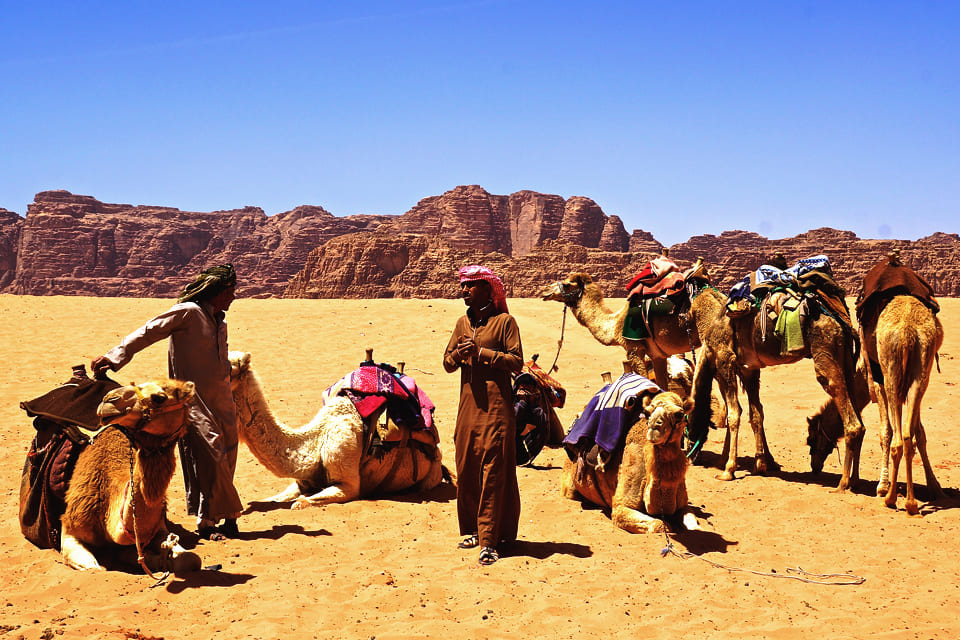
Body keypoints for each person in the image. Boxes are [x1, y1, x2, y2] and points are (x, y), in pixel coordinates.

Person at [91, 264, 243, 541]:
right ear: (217, 291)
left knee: (229, 452)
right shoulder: (188, 312)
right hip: (192, 399)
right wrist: (114, 357)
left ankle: (227, 519)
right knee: (210, 454)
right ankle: (207, 520)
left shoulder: (220, 322)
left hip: (222, 400)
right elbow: (149, 331)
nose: (234, 296)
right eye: (231, 291)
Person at [442, 265, 523, 566]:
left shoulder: (505, 323)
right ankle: (472, 529)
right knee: (466, 466)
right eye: (462, 285)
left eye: (470, 286)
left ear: (488, 290)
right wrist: (460, 355)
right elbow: (447, 363)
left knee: (494, 471)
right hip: (468, 408)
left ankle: (490, 541)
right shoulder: (462, 323)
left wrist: (482, 354)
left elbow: (517, 362)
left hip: (497, 408)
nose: (463, 290)